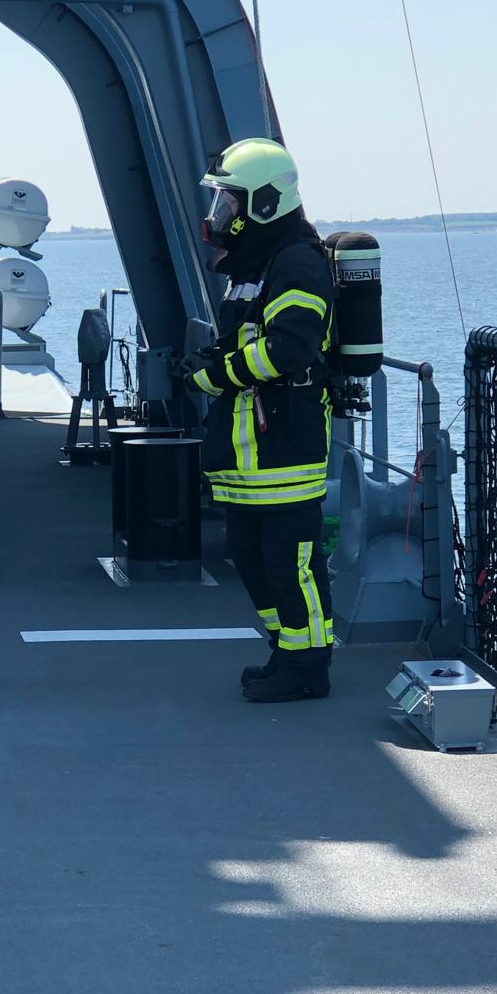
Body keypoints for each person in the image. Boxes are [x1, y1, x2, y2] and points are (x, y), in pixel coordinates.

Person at [179, 137, 335, 702]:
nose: (222, 215)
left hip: (284, 447)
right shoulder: (254, 266)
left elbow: (288, 348)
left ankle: (309, 666)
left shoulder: (297, 262)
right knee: (252, 559)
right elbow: (245, 339)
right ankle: (285, 648)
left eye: (231, 202)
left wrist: (212, 375)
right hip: (249, 456)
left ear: (265, 203)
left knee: (292, 562)